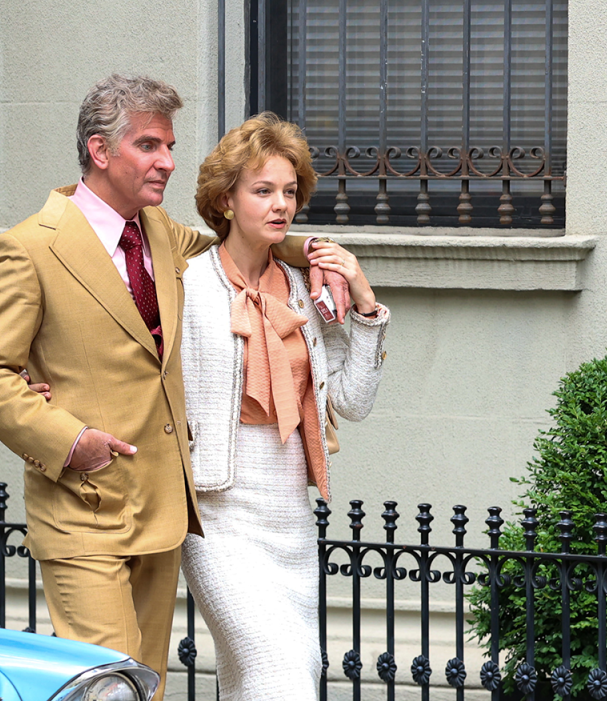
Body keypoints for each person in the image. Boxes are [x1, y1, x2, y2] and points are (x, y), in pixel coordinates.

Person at [0, 76, 350, 700]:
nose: (167, 160)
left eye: (168, 145)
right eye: (149, 145)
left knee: (147, 691)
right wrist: (70, 438)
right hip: (83, 510)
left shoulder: (163, 234)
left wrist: (317, 249)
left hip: (161, 517)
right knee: (107, 692)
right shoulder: (29, 248)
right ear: (100, 150)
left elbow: (244, 245)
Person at [180, 113, 390, 700]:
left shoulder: (306, 288)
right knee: (282, 675)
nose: (281, 204)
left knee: (257, 678)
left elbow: (350, 402)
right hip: (215, 515)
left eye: (290, 192)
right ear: (226, 199)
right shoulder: (188, 284)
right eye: (263, 190)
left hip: (289, 518)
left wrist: (366, 308)